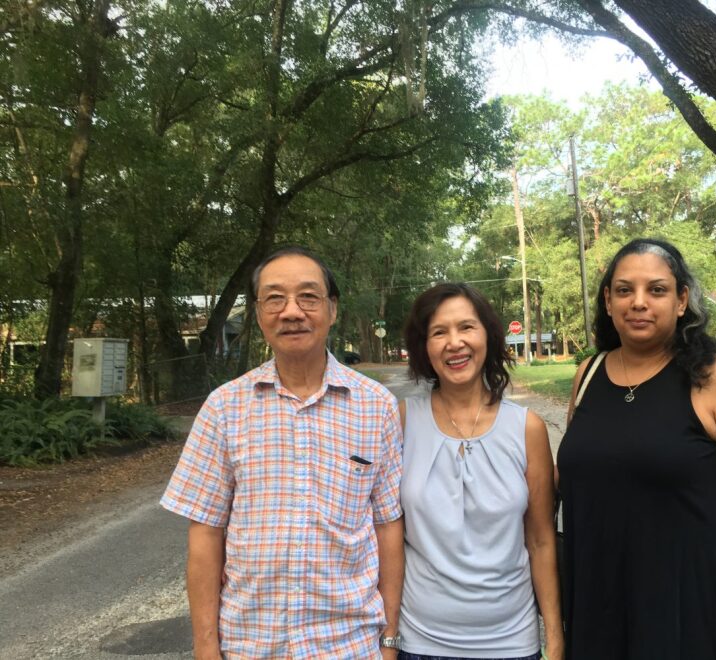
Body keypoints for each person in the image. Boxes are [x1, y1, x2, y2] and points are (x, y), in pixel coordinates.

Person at [161, 246, 404, 659]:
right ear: (258, 313)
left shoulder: (376, 406)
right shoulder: (224, 408)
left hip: (349, 644)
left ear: (332, 309)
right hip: (250, 644)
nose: (292, 311)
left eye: (308, 297)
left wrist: (389, 641)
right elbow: (205, 534)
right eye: (275, 298)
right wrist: (206, 647)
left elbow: (387, 528)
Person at [558, 238, 716, 659]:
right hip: (599, 608)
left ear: (682, 300)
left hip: (692, 614)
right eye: (624, 290)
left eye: (657, 290)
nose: (639, 302)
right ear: (608, 301)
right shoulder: (587, 376)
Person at [398, 283, 563, 660]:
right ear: (425, 346)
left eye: (466, 328)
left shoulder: (528, 428)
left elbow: (539, 540)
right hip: (420, 642)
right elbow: (387, 533)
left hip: (512, 643)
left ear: (488, 335)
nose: (454, 343)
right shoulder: (402, 420)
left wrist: (554, 640)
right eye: (439, 332)